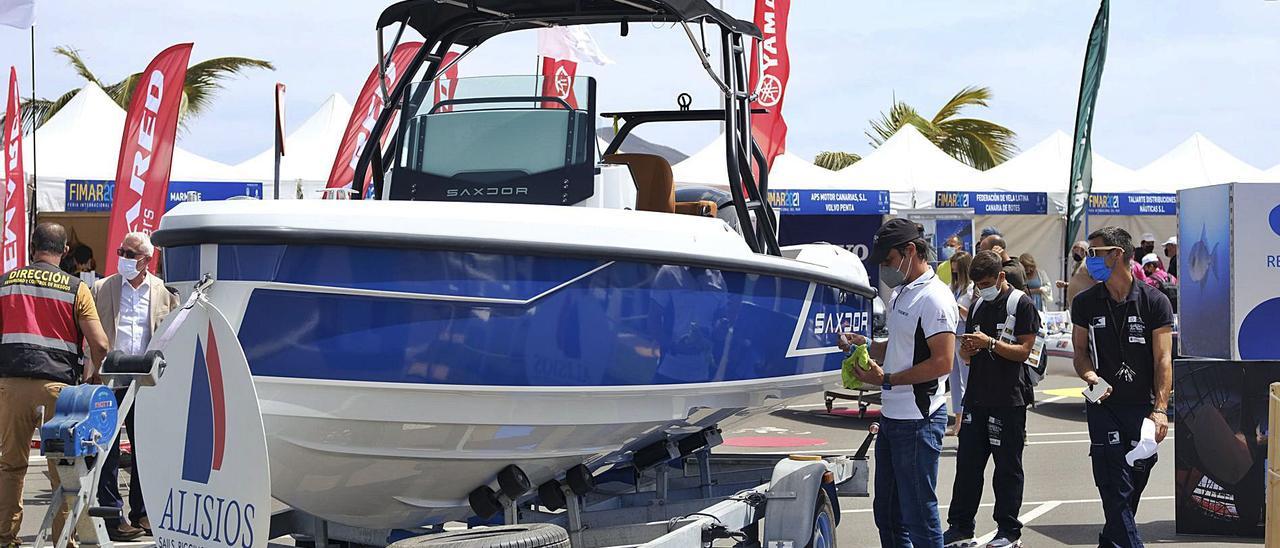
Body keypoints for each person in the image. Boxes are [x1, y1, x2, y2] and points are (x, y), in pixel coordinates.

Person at [839, 218, 957, 547]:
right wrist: (864, 344)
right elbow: (902, 345)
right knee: (888, 514)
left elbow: (942, 361)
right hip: (893, 417)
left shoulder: (935, 298)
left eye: (888, 261)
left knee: (918, 513)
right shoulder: (903, 292)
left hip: (918, 420)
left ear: (909, 251)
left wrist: (886, 379)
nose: (885, 269)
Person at [0, 223, 111, 548]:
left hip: (12, 385)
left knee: (11, 465)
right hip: (59, 391)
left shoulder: (6, 284)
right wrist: (94, 374)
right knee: (63, 467)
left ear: (32, 246)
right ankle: (65, 540)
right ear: (65, 251)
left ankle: (5, 537)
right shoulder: (76, 288)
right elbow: (100, 344)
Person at [1071, 227, 1173, 548]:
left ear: (1116, 254)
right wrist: (1090, 377)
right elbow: (1080, 353)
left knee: (1134, 478)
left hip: (1142, 406)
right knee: (1113, 478)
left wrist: (1159, 410)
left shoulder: (1154, 301)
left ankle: (1111, 542)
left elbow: (1163, 361)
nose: (1090, 261)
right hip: (1101, 402)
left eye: (1095, 254)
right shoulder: (1086, 301)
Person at [943, 251, 1040, 548]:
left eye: (986, 282)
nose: (982, 288)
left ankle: (1008, 531)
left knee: (1007, 468)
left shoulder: (1020, 303)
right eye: (977, 284)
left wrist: (991, 343)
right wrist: (967, 351)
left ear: (1001, 277)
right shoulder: (977, 305)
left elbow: (1025, 351)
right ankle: (960, 527)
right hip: (977, 398)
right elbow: (967, 357)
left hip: (1008, 400)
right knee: (968, 466)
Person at [93, 232, 180, 540]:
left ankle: (141, 513)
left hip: (145, 381)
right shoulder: (102, 287)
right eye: (121, 251)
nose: (124, 258)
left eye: (131, 254)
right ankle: (112, 515)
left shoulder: (162, 292)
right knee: (108, 449)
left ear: (146, 260)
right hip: (109, 378)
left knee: (145, 448)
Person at [947, 251, 974, 437]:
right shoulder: (952, 286)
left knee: (966, 380)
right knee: (954, 381)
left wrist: (958, 307)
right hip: (951, 336)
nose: (953, 271)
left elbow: (971, 316)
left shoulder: (971, 289)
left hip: (964, 336)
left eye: (957, 268)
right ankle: (958, 421)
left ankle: (967, 421)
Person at [1056, 241, 1096, 309]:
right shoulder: (1077, 265)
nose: (1075, 251)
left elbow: (1093, 283)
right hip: (1077, 304)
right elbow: (1081, 283)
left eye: (1079, 248)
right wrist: (1066, 285)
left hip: (1086, 304)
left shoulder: (1088, 264)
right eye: (1074, 248)